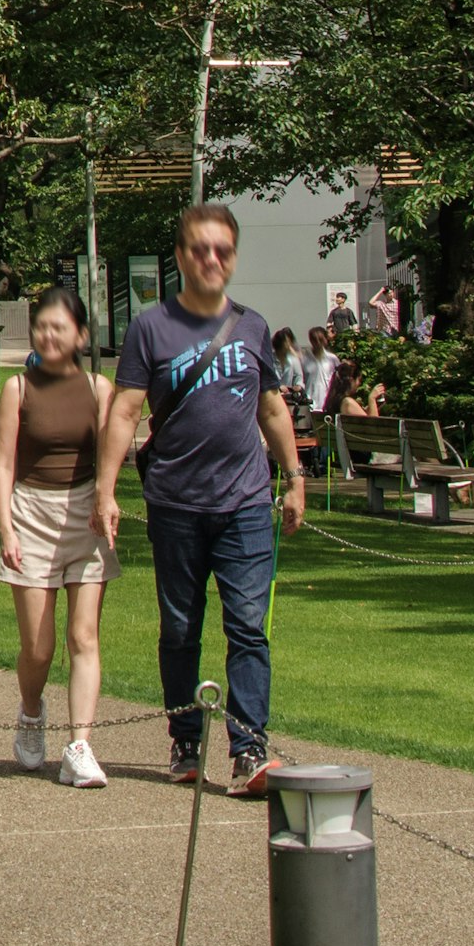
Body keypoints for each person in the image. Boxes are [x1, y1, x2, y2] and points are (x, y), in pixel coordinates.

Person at [94, 202, 306, 797]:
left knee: (248, 627)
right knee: (181, 628)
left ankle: (249, 751)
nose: (212, 259)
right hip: (176, 504)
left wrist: (293, 476)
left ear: (233, 257)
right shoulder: (150, 328)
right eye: (200, 250)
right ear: (181, 257)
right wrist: (107, 492)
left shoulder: (253, 326)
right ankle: (186, 740)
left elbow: (270, 408)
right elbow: (125, 412)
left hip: (244, 504)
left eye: (223, 251)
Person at [0, 285, 117, 790]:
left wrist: (107, 499)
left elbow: (112, 454)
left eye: (59, 327)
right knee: (39, 648)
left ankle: (80, 747)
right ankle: (30, 711)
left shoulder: (99, 388)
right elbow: (3, 463)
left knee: (84, 636)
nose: (48, 334)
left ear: (80, 335)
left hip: (85, 515)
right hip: (31, 515)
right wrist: (6, 526)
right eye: (41, 325)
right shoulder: (17, 389)